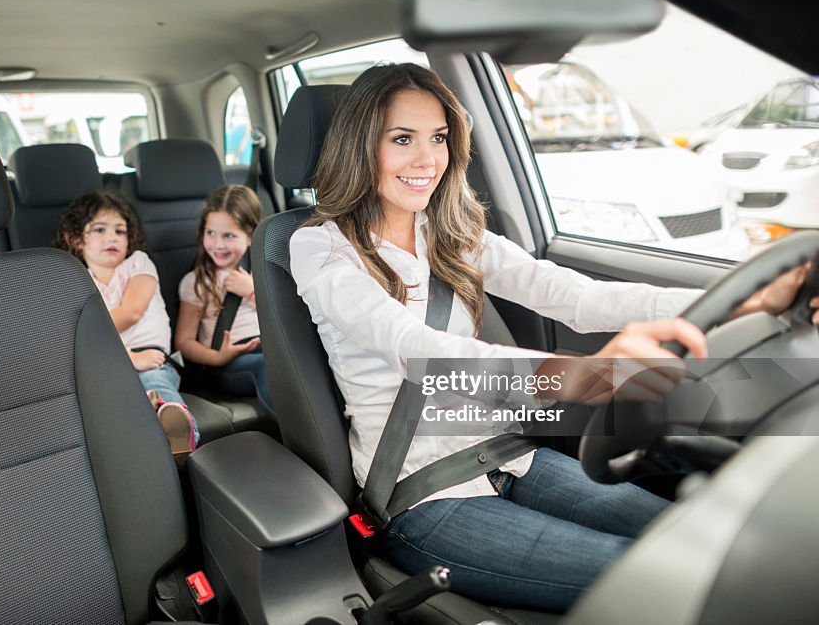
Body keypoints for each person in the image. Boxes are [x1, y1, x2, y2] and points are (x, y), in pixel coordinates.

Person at [288, 63, 818, 612]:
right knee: (667, 576)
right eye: (402, 139)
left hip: (511, 456)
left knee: (700, 536)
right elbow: (423, 354)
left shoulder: (451, 234)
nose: (428, 160)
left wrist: (745, 299)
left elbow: (580, 298)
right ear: (357, 147)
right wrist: (584, 375)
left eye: (439, 138)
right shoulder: (320, 248)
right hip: (423, 495)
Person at [55, 191, 199, 461]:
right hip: (103, 362)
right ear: (74, 239)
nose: (112, 238)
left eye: (120, 231)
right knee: (106, 396)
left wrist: (130, 357)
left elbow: (131, 311)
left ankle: (177, 429)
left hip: (150, 356)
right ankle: (146, 416)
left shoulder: (138, 263)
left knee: (156, 380)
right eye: (100, 229)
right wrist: (126, 359)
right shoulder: (73, 279)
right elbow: (72, 337)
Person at [175, 184, 274, 416]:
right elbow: (184, 341)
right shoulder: (197, 281)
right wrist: (217, 358)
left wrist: (252, 290)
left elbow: (285, 319)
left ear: (251, 236)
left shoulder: (264, 271)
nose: (218, 244)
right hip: (229, 362)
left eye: (229, 235)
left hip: (271, 346)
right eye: (211, 233)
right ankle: (304, 439)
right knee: (269, 367)